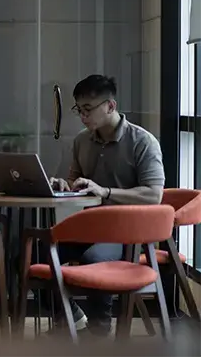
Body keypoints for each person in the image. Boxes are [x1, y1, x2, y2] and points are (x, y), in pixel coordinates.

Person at [46, 74, 165, 338]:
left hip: (127, 234)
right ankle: (70, 316)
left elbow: (154, 195)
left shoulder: (142, 142)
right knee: (30, 252)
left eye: (88, 110)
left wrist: (106, 192)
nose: (82, 117)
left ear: (110, 106)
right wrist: (63, 186)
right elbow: (74, 181)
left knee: (93, 259)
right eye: (79, 110)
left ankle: (99, 327)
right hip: (89, 227)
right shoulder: (81, 141)